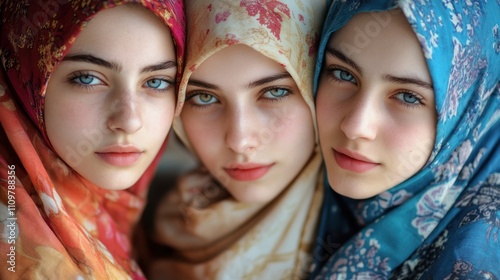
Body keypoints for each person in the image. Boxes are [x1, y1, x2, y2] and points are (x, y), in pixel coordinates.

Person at [136, 0, 326, 279]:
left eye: (274, 92)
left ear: (318, 88)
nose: (239, 140)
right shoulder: (150, 222)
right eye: (204, 97)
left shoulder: (374, 245)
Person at [310, 0, 500, 279]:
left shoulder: (474, 259)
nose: (354, 127)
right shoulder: (301, 182)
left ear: (467, 110)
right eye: (343, 74)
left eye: (408, 96)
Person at [0, 1, 185, 279]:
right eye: (87, 78)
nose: (129, 120)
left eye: (157, 81)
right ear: (23, 78)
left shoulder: (148, 221)